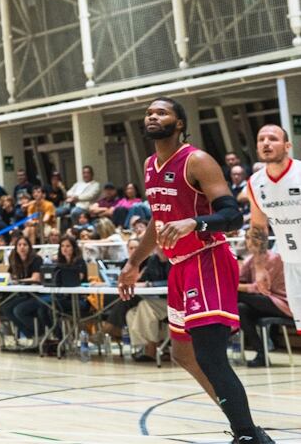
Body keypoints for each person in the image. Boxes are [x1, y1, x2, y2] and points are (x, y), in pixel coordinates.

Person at [119, 97, 271, 444]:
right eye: (149, 113)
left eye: (162, 112)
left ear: (179, 123)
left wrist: (194, 222)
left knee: (208, 354)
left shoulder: (197, 160)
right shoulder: (150, 165)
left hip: (208, 259)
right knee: (183, 353)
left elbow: (231, 216)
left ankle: (248, 435)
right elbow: (159, 222)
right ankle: (241, 422)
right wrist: (133, 263)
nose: (153, 116)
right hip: (178, 266)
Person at [242, 123, 299, 363]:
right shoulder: (255, 183)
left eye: (273, 139)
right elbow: (258, 227)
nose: (266, 143)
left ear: (287, 146)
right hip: (291, 263)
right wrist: (260, 267)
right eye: (261, 139)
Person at [236, 226, 290, 367]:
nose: (249, 241)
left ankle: (225, 334)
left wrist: (232, 286)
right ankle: (261, 353)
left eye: (254, 238)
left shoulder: (274, 258)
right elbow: (240, 281)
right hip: (264, 302)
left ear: (263, 242)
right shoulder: (249, 260)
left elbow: (259, 288)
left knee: (236, 295)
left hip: (282, 303)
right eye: (247, 238)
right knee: (241, 308)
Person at [4, 235, 50, 344]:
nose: (22, 247)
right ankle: (31, 335)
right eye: (19, 245)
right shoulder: (14, 259)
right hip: (24, 294)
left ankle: (40, 332)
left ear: (29, 247)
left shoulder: (37, 259)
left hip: (38, 295)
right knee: (6, 308)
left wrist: (19, 281)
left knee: (18, 310)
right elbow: (9, 275)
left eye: (25, 244)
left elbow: (35, 278)